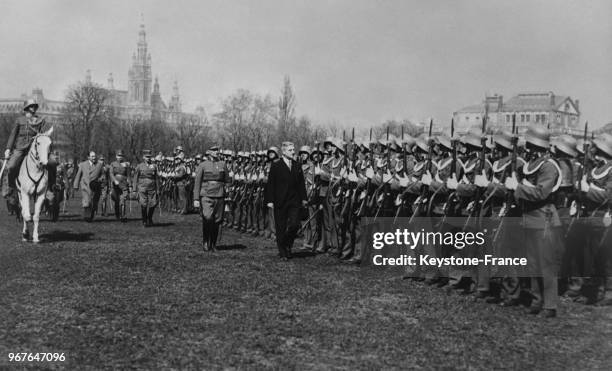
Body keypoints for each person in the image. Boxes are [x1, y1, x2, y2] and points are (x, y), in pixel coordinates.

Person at [3, 99, 56, 200]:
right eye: (31, 106)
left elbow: (44, 136)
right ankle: (11, 188)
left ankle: (51, 187)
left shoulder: (40, 120)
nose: (33, 107)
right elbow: (13, 135)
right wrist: (8, 149)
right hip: (20, 148)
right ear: (26, 107)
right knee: (11, 166)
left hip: (35, 148)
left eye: (35, 106)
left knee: (52, 163)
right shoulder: (19, 120)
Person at [264, 142, 308, 260]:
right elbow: (271, 184)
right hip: (280, 201)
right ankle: (283, 251)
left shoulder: (297, 165)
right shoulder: (276, 165)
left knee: (294, 224)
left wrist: (304, 198)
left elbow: (301, 184)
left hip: (294, 200)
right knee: (280, 227)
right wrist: (270, 200)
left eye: (293, 149)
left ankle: (287, 244)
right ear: (283, 152)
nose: (293, 152)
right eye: (290, 150)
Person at [193, 145, 230, 251]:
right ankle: (205, 242)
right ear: (209, 152)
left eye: (217, 150)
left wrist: (227, 191)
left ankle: (213, 244)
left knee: (217, 220)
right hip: (206, 195)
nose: (217, 152)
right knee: (208, 217)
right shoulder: (203, 165)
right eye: (214, 150)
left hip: (219, 195)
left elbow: (227, 180)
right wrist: (196, 199)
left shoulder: (223, 164)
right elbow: (197, 183)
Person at [73, 151, 105, 222]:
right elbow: (78, 175)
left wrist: (100, 179)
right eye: (92, 156)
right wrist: (76, 185)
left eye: (94, 156)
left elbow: (102, 175)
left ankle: (91, 216)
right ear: (88, 157)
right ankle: (87, 216)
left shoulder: (99, 165)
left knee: (94, 202)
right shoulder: (83, 165)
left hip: (95, 186)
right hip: (85, 185)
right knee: (87, 201)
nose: (94, 158)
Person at [133, 149, 160, 227]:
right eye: (146, 157)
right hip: (142, 187)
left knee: (153, 203)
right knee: (143, 204)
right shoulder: (139, 166)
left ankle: (149, 218)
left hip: (152, 187)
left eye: (149, 157)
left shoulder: (154, 166)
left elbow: (157, 178)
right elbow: (135, 178)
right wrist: (134, 189)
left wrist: (158, 189)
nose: (148, 158)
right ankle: (144, 220)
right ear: (143, 157)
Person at [109, 149, 130, 222]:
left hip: (123, 184)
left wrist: (129, 183)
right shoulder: (113, 164)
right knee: (116, 200)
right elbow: (111, 173)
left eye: (121, 155)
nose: (120, 157)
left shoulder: (126, 164)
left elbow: (128, 175)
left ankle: (123, 216)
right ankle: (117, 214)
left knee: (123, 200)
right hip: (115, 185)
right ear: (116, 156)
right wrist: (114, 180)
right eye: (118, 155)